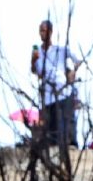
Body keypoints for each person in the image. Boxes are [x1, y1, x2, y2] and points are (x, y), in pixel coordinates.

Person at [31, 20, 83, 149]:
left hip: (62, 89)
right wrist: (33, 61)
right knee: (52, 122)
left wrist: (72, 72)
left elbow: (78, 59)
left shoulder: (60, 49)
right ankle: (54, 146)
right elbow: (36, 72)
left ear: (50, 32)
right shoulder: (39, 52)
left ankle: (71, 144)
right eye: (41, 31)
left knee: (67, 118)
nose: (42, 34)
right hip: (48, 92)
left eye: (44, 30)